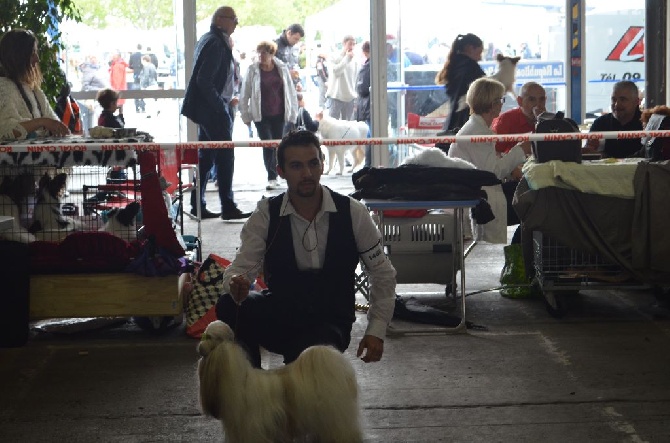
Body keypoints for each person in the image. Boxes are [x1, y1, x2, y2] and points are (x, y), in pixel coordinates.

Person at [215, 130, 397, 368]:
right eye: (296, 166)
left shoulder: (354, 212)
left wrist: (376, 330)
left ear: (323, 163)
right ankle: (252, 385)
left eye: (313, 163)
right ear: (281, 171)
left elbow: (383, 273)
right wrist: (235, 284)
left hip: (330, 322)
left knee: (307, 361)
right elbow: (239, 269)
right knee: (229, 305)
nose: (307, 173)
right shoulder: (265, 215)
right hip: (282, 313)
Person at [181, 6, 251, 221]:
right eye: (234, 19)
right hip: (212, 110)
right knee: (225, 156)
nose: (236, 23)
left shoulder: (210, 39)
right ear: (220, 20)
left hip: (207, 109)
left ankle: (197, 205)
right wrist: (221, 107)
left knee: (207, 157)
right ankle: (228, 206)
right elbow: (204, 80)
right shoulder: (215, 42)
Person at [448, 77, 531, 244]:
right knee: (532, 205)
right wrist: (520, 149)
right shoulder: (478, 133)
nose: (502, 104)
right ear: (492, 104)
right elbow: (493, 172)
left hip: (479, 194)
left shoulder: (477, 128)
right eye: (500, 100)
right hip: (481, 199)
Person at [239, 40, 298, 191]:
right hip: (261, 115)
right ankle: (271, 176)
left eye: (264, 53)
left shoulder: (281, 68)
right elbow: (244, 93)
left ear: (271, 54)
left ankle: (281, 173)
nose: (261, 56)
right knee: (267, 144)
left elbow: (290, 92)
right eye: (259, 53)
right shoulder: (252, 70)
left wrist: (293, 114)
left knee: (279, 145)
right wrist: (245, 115)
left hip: (279, 113)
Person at [0, 29, 69, 140]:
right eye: (32, 54)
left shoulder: (33, 89)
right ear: (18, 57)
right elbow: (5, 129)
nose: (37, 59)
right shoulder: (3, 87)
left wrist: (54, 126)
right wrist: (42, 122)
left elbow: (54, 123)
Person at [435, 33, 486, 132]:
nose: (480, 58)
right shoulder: (471, 68)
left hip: (453, 120)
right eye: (479, 53)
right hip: (465, 119)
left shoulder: (455, 65)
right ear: (470, 48)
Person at [584, 80, 643, 158]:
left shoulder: (646, 124)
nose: (617, 104)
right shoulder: (600, 123)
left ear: (636, 102)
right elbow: (588, 153)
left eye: (623, 99)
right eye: (614, 99)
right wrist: (589, 151)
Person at [492, 82, 547, 154]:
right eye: (531, 99)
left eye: (542, 99)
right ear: (520, 101)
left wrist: (544, 123)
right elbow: (496, 153)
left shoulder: (551, 121)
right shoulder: (507, 120)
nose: (538, 105)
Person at [326, 35, 358, 121]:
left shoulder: (354, 60)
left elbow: (355, 79)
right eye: (350, 44)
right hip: (335, 96)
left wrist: (355, 97)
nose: (352, 47)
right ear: (344, 44)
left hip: (350, 97)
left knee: (348, 128)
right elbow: (336, 71)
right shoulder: (333, 56)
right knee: (332, 125)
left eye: (354, 44)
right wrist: (347, 58)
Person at [274, 23, 304, 92]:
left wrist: (297, 82)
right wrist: (286, 73)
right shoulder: (274, 45)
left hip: (291, 86)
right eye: (295, 39)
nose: (296, 42)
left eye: (298, 40)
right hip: (278, 87)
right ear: (289, 33)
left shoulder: (295, 47)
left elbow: (295, 65)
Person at [355, 41, 371, 167]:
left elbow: (362, 88)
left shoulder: (367, 67)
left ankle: (369, 163)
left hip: (368, 107)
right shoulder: (382, 64)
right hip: (369, 106)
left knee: (370, 136)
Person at [128, 44, 145, 113]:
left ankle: (137, 107)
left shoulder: (132, 56)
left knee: (136, 91)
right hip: (143, 75)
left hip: (136, 74)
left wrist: (135, 68)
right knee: (143, 91)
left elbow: (130, 65)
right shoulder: (144, 55)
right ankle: (143, 107)